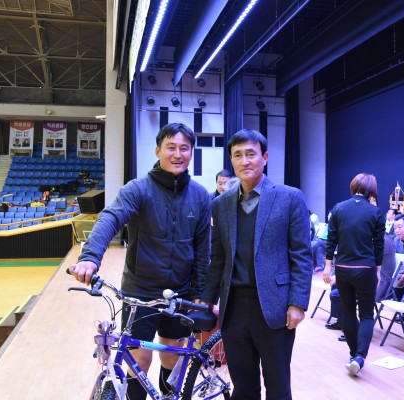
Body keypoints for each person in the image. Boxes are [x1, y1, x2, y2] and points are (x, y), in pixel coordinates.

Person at [68, 123, 211, 400]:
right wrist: (90, 257)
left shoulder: (200, 196)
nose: (177, 154)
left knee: (171, 356)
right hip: (140, 291)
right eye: (171, 147)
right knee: (139, 359)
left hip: (180, 292)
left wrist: (200, 292)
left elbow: (202, 250)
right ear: (158, 151)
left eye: (184, 148)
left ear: (191, 153)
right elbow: (111, 217)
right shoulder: (138, 189)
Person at [201, 129, 312, 400]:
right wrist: (207, 299)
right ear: (231, 160)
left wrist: (297, 303)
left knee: (278, 386)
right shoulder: (221, 203)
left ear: (265, 157)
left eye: (251, 154)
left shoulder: (289, 197)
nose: (244, 161)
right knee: (243, 387)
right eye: (237, 155)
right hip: (234, 307)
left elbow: (301, 254)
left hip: (274, 306)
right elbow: (219, 257)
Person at [322, 172, 385, 376]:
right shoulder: (376, 212)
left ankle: (353, 355)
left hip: (343, 268)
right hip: (365, 269)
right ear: (371, 191)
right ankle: (360, 357)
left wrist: (327, 267)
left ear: (353, 186)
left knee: (348, 312)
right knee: (366, 314)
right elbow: (379, 245)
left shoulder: (338, 208)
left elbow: (331, 240)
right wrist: (377, 270)